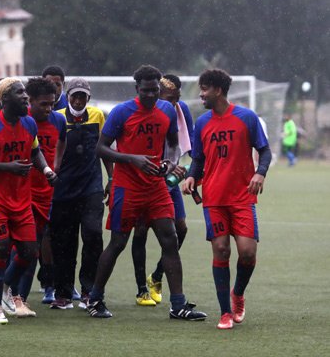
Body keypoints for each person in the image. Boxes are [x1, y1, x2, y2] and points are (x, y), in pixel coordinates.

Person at [87, 65, 207, 321]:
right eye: (146, 91)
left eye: (155, 91)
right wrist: (132, 159)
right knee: (118, 243)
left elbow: (172, 145)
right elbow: (100, 149)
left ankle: (178, 305)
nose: (151, 95)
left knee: (170, 239)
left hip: (155, 188)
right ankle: (95, 299)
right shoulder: (121, 112)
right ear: (137, 89)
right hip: (126, 188)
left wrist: (168, 164)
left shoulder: (166, 110)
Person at [182, 69, 271, 329]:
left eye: (205, 89)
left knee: (247, 252)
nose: (201, 94)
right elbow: (198, 159)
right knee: (221, 250)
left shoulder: (247, 117)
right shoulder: (202, 123)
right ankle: (224, 312)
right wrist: (190, 177)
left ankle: (238, 294)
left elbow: (264, 151)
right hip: (214, 199)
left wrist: (260, 173)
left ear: (218, 90)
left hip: (242, 198)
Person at [0, 77, 57, 324]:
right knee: (1, 248)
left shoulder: (29, 123)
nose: (26, 97)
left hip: (20, 199)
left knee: (30, 251)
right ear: (4, 98)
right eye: (20, 93)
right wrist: (7, 167)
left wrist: (47, 170)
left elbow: (34, 150)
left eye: (26, 94)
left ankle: (5, 285)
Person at [131, 74, 194, 306]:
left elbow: (189, 145)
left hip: (170, 178)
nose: (173, 104)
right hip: (145, 178)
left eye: (177, 99)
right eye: (169, 99)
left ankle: (156, 277)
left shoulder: (179, 109)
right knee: (140, 231)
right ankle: (141, 290)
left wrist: (187, 170)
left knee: (180, 229)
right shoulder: (145, 110)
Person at [49, 78, 111, 310]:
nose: (78, 100)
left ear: (89, 97)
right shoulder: (57, 117)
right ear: (67, 96)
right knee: (63, 242)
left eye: (82, 96)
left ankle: (88, 290)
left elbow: (105, 149)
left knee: (93, 235)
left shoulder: (97, 116)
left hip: (91, 188)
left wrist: (111, 178)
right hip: (62, 189)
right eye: (74, 96)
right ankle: (63, 293)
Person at [11, 77, 66, 311]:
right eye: (43, 104)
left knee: (32, 249)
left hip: (44, 194)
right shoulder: (21, 122)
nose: (48, 108)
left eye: (51, 103)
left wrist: (55, 166)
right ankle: (7, 292)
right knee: (17, 246)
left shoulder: (59, 121)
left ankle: (19, 297)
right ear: (29, 101)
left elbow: (62, 142)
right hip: (18, 193)